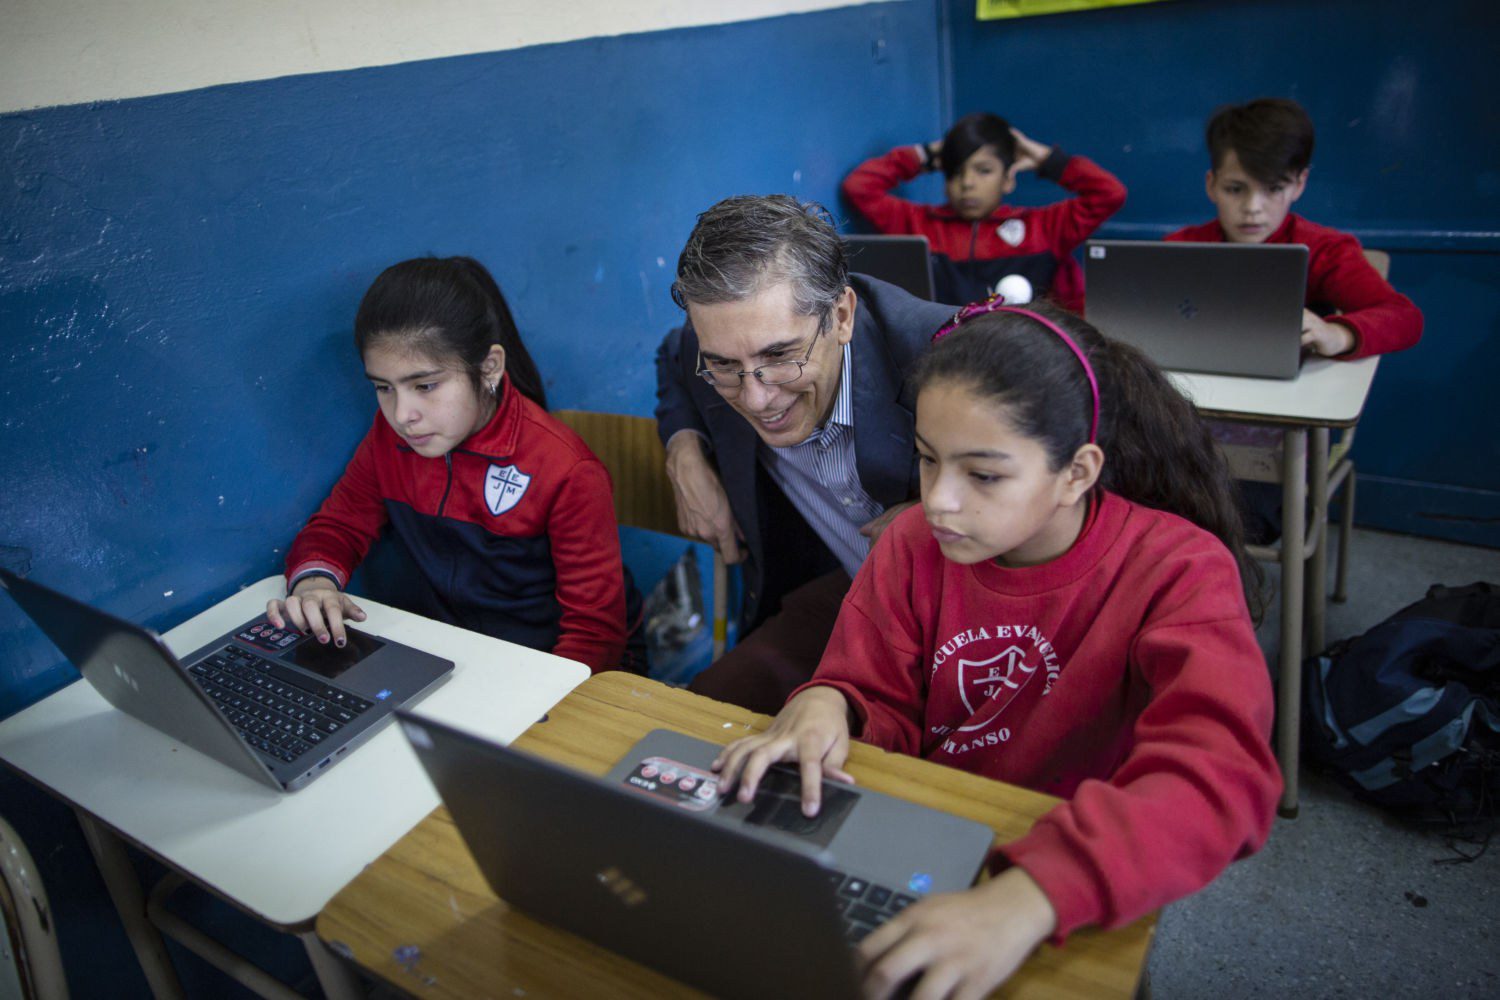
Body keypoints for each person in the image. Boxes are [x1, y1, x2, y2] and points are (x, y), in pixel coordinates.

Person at [714, 300, 1280, 996]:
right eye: (927, 460)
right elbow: (874, 692)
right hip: (923, 834)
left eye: (983, 475)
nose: (939, 501)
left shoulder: (1177, 569)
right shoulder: (914, 543)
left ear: (1077, 473)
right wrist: (830, 702)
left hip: (1070, 872)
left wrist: (1030, 898)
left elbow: (1220, 774)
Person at [655, 195, 957, 714]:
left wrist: (940, 511)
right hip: (850, 601)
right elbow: (673, 358)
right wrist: (684, 451)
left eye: (780, 356)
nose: (756, 399)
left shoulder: (951, 355)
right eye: (724, 366)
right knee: (699, 714)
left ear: (841, 315)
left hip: (974, 617)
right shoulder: (716, 343)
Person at [268, 256, 640, 673]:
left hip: (552, 666)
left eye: (425, 385)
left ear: (489, 368)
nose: (402, 414)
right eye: (384, 388)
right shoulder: (389, 439)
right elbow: (340, 524)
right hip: (458, 654)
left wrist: (537, 699)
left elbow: (594, 633)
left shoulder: (566, 470)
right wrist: (314, 582)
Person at [1166, 97, 1422, 358]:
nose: (1252, 208)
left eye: (1274, 189)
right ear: (1211, 185)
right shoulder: (1178, 248)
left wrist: (1339, 335)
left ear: (1299, 184)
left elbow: (1405, 317)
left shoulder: (1324, 250)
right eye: (1234, 189)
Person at [841, 112, 1126, 312]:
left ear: (1008, 178)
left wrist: (1047, 160)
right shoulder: (919, 223)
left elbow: (1109, 193)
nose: (967, 183)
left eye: (984, 170)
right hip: (945, 353)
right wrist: (925, 155)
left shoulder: (1044, 227)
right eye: (955, 172)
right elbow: (859, 187)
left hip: (1026, 353)